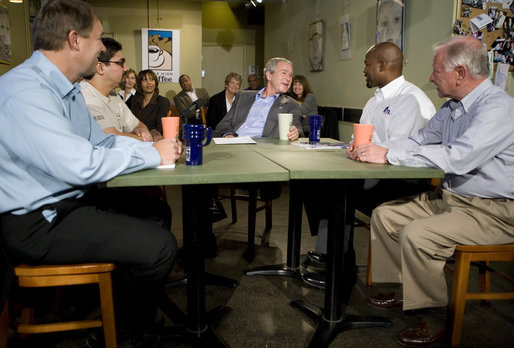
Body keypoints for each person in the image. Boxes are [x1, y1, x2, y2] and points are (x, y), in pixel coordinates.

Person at [0, 0, 182, 346]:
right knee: (160, 247)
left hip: (65, 201)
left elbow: (100, 143)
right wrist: (150, 155)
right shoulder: (25, 92)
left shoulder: (63, 89)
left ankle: (108, 305)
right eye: (99, 39)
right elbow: (81, 164)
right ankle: (117, 332)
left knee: (157, 212)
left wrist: (154, 151)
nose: (102, 49)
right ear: (74, 40)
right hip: (37, 221)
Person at [348, 36, 514, 346]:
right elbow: (419, 140)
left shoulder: (498, 108)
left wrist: (387, 155)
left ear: (460, 73)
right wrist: (374, 148)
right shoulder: (451, 108)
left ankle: (436, 315)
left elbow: (459, 157)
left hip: (495, 210)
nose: (430, 77)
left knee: (417, 234)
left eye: (437, 70)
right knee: (385, 215)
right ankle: (402, 290)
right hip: (454, 199)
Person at [303, 42, 436, 289]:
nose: (363, 69)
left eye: (366, 64)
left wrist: (366, 153)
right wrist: (355, 147)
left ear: (382, 65)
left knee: (338, 191)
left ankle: (339, 269)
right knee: (314, 181)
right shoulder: (375, 100)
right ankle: (332, 255)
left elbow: (396, 154)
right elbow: (361, 140)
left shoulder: (410, 100)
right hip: (376, 173)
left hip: (403, 181)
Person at [81, 38, 153, 142]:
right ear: (100, 67)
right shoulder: (84, 96)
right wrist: (142, 138)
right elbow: (111, 138)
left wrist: (141, 130)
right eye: (121, 63)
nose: (126, 68)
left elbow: (138, 125)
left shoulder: (113, 96)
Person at [214, 57, 303, 140]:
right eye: (283, 73)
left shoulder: (291, 105)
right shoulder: (242, 97)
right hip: (235, 144)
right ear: (269, 75)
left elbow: (297, 127)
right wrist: (228, 135)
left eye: (290, 75)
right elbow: (223, 124)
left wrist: (295, 132)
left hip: (262, 149)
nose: (288, 78)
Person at [130, 69, 170, 140]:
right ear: (140, 84)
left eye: (151, 79)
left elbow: (160, 129)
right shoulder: (135, 100)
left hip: (153, 140)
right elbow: (131, 123)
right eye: (144, 80)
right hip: (134, 138)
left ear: (155, 82)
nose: (149, 83)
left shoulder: (163, 101)